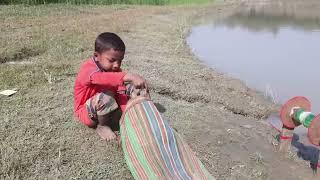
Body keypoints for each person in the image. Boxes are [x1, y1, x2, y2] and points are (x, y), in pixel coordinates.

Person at [74, 32, 147, 141]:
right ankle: (102, 126)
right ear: (96, 56)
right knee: (106, 97)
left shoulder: (115, 71)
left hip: (108, 108)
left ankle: (143, 114)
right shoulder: (88, 70)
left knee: (133, 88)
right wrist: (128, 75)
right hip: (86, 112)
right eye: (112, 60)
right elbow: (102, 78)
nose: (117, 65)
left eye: (120, 60)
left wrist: (125, 115)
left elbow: (120, 91)